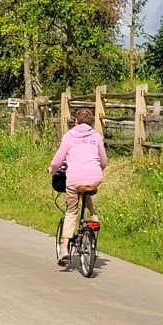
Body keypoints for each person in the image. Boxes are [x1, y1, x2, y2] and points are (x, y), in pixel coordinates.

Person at [48, 108, 107, 266]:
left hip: (74, 179)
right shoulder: (96, 136)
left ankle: (65, 248)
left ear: (76, 121)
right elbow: (104, 162)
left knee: (71, 211)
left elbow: (57, 161)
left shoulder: (69, 136)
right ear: (91, 122)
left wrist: (51, 170)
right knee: (86, 191)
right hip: (94, 178)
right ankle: (93, 215)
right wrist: (95, 170)